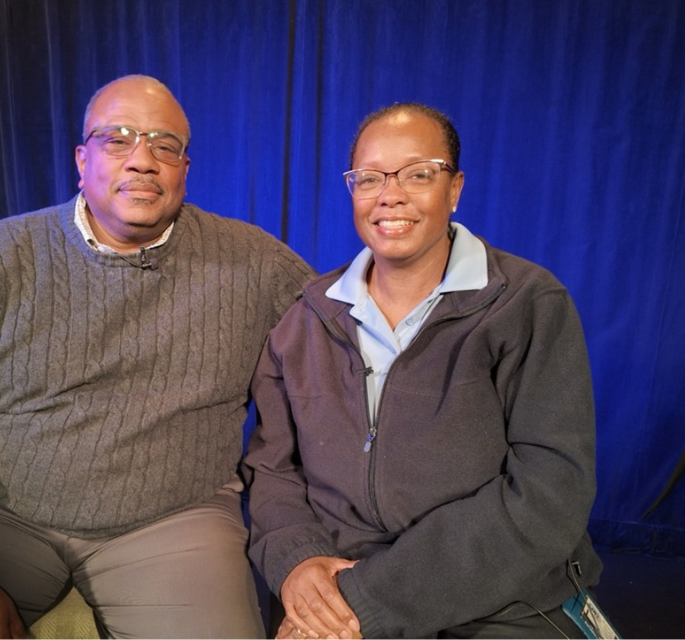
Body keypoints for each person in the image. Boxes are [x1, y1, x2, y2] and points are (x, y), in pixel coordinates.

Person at [0, 74, 315, 639]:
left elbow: (346, 346)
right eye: (117, 139)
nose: (143, 160)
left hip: (176, 519)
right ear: (82, 161)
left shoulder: (255, 264)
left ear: (185, 169)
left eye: (165, 146)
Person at [243, 103, 607, 639]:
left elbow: (550, 492)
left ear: (454, 189)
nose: (390, 195)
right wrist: (298, 563)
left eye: (417, 174)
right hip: (335, 587)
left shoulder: (528, 304)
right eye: (370, 178)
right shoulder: (305, 318)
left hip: (501, 599)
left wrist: (367, 600)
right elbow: (273, 470)